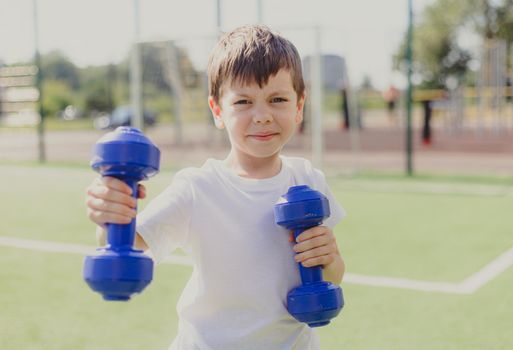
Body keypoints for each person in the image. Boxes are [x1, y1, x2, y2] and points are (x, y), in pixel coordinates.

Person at [85, 25, 346, 350]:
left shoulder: (308, 179)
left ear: (299, 105)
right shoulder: (198, 188)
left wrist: (331, 259)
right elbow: (130, 245)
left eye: (277, 99)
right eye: (244, 102)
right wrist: (111, 212)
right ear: (218, 110)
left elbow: (331, 275)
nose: (262, 116)